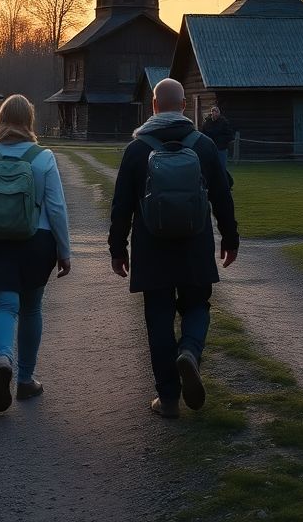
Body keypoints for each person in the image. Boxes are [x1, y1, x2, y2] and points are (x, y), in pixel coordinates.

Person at [108, 78, 239, 418]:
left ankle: (167, 399)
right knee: (197, 305)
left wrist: (117, 248)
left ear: (153, 106)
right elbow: (223, 197)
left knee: (159, 319)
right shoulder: (204, 145)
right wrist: (230, 238)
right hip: (195, 245)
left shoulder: (137, 149)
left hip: (152, 250)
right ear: (183, 106)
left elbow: (121, 205)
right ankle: (191, 353)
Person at [0, 94, 71, 412]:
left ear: (0, 120)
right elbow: (57, 208)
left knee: (4, 308)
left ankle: (3, 359)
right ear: (29, 122)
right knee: (32, 309)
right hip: (37, 242)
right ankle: (24, 381)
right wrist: (64, 252)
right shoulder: (43, 157)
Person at [200, 105, 234, 173]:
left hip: (221, 148)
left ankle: (223, 182)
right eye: (213, 111)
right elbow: (203, 133)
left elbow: (229, 135)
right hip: (210, 148)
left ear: (219, 113)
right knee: (210, 167)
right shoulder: (207, 123)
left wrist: (222, 141)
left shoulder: (223, 122)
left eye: (216, 112)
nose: (214, 113)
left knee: (222, 167)